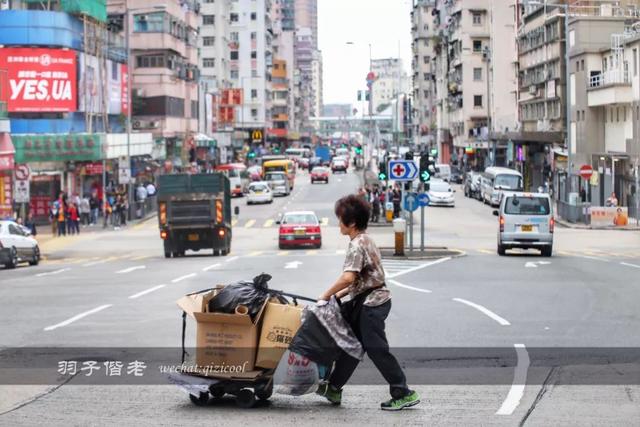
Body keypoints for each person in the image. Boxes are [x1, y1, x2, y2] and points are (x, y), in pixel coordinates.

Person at [316, 194, 420, 411]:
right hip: (368, 299)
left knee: (376, 349)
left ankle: (403, 392)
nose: (338, 224)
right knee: (352, 346)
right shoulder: (367, 239)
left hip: (372, 303)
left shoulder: (356, 244)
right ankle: (334, 387)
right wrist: (338, 296)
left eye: (340, 219)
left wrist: (325, 295)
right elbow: (361, 280)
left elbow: (348, 277)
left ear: (351, 222)